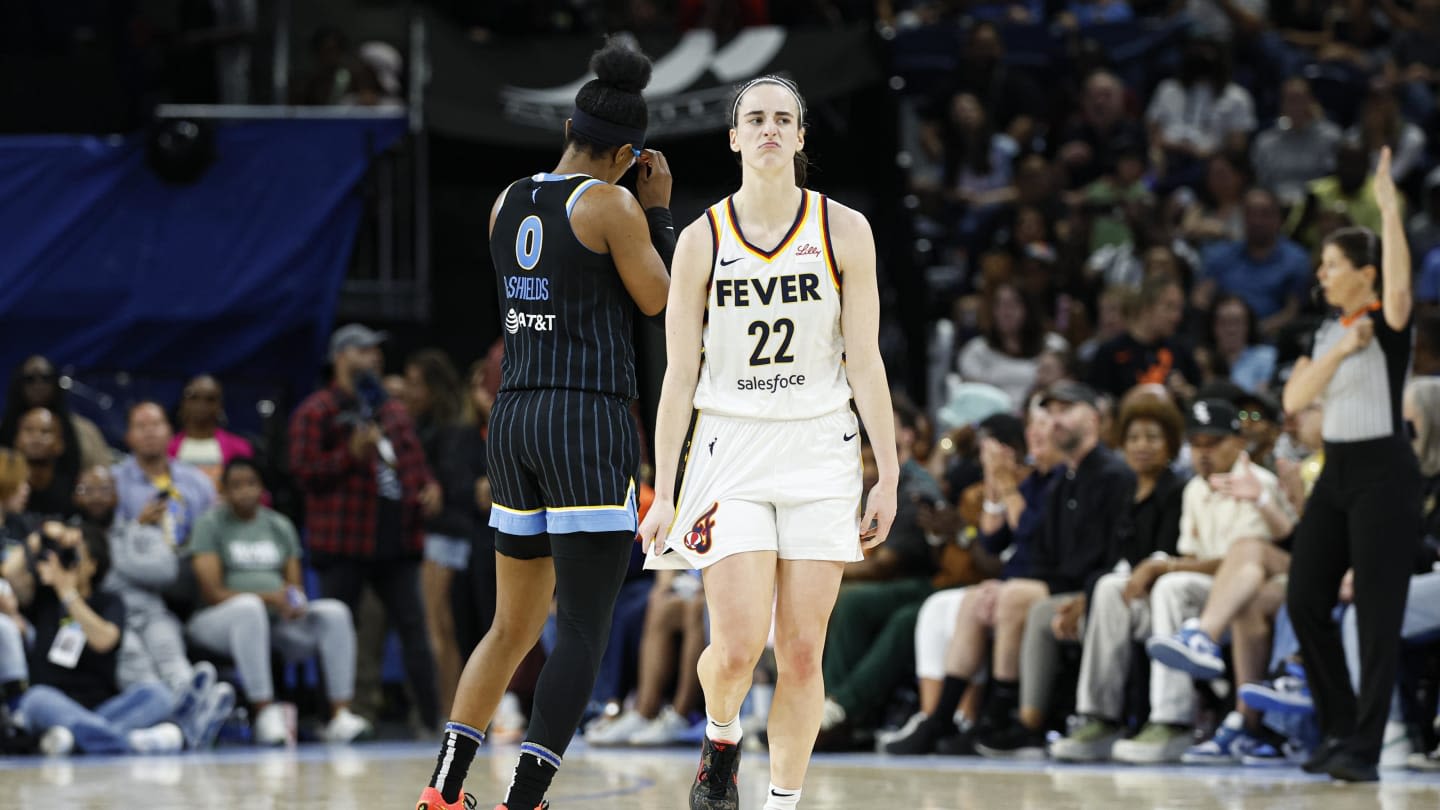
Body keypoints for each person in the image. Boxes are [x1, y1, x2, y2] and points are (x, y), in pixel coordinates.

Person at [413, 40, 673, 810]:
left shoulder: (506, 199)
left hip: (516, 414)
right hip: (584, 417)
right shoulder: (612, 203)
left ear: (568, 122)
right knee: (584, 627)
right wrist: (656, 210)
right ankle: (524, 800)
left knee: (510, 625)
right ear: (628, 153)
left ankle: (443, 790)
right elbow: (657, 299)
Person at [637, 74, 897, 810]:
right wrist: (667, 489)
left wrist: (890, 475)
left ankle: (782, 802)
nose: (770, 130)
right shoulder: (700, 239)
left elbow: (866, 360)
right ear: (733, 136)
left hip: (821, 447)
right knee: (739, 645)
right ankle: (721, 737)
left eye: (784, 119)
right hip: (732, 445)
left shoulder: (845, 230)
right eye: (756, 118)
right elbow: (679, 376)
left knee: (804, 652)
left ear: (803, 137)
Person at [1281, 148, 1421, 783]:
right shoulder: (1330, 333)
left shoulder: (1389, 325)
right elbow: (1293, 401)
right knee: (1304, 595)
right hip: (1335, 474)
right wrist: (1340, 351)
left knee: (1377, 611)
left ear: (1362, 273)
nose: (1323, 272)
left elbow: (1397, 290)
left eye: (1333, 264)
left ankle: (1363, 747)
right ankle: (1339, 725)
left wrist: (1389, 207)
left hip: (1384, 476)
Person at [288, 325, 441, 736]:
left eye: (377, 351)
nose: (374, 357)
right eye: (363, 350)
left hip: (397, 540)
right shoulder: (315, 411)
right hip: (343, 542)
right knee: (337, 629)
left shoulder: (392, 410)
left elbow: (414, 462)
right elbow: (303, 474)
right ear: (340, 357)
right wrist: (347, 456)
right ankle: (332, 717)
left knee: (415, 632)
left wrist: (430, 488)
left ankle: (431, 720)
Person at [188, 458, 371, 745]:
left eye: (251, 483)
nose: (245, 491)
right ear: (223, 490)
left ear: (261, 487)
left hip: (273, 622)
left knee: (335, 612)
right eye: (236, 486)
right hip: (217, 621)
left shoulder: (279, 525)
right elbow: (212, 592)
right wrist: (269, 598)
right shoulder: (209, 525)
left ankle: (339, 716)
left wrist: (294, 602)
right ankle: (264, 711)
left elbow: (294, 585)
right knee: (249, 608)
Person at [167, 374, 255, 490]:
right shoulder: (166, 449)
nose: (201, 404)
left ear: (220, 405)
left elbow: (254, 491)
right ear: (183, 403)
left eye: (210, 399)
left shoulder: (240, 448)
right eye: (194, 397)